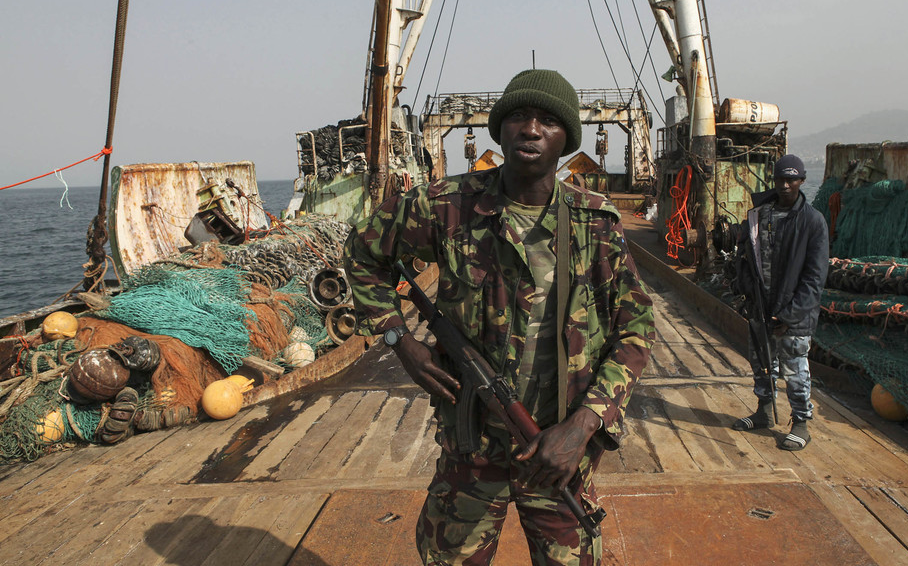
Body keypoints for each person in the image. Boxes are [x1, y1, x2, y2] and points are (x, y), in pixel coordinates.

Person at [345, 68, 654, 565]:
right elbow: (362, 253)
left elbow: (636, 330)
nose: (530, 129)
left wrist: (583, 425)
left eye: (548, 121)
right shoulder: (446, 207)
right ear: (500, 129)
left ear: (567, 139)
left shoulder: (594, 223)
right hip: (472, 448)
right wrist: (398, 339)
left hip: (556, 450)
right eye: (518, 116)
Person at [731, 154, 829, 451]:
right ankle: (764, 411)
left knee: (796, 370)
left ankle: (800, 423)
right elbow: (745, 261)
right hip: (761, 307)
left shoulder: (813, 221)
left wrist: (790, 315)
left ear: (801, 181)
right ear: (773, 181)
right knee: (761, 364)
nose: (785, 185)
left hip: (794, 316)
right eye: (780, 179)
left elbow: (815, 277)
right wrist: (746, 294)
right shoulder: (758, 216)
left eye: (792, 179)